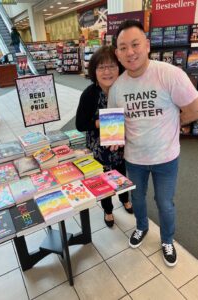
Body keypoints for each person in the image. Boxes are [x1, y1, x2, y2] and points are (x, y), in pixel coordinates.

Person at [108, 20, 198, 267]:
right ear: (117, 53)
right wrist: (115, 137)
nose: (130, 52)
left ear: (147, 45)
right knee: (137, 199)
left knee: (164, 203)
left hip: (166, 157)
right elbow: (114, 123)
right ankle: (141, 227)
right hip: (134, 159)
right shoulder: (117, 88)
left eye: (135, 44)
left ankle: (167, 239)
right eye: (123, 47)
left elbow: (193, 108)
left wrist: (173, 126)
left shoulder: (169, 74)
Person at [76, 45, 133, 228]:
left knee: (122, 174)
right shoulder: (89, 94)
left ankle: (125, 199)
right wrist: (101, 123)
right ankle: (108, 211)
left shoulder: (126, 89)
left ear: (119, 68)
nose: (107, 72)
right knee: (104, 182)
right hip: (99, 150)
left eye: (112, 66)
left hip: (122, 146)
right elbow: (79, 124)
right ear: (94, 71)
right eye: (101, 67)